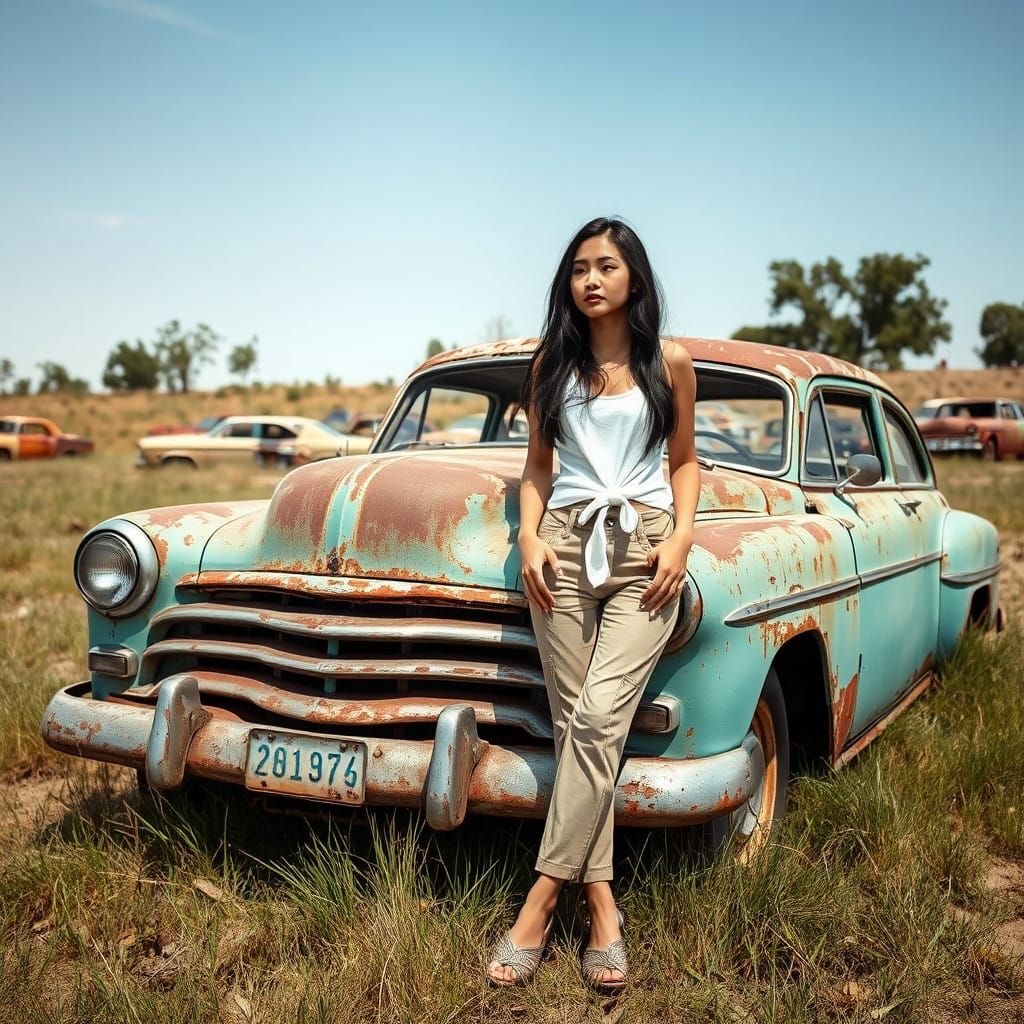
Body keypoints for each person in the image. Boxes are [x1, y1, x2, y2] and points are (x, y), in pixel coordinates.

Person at [486, 217, 700, 990]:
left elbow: (684, 462)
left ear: (634, 278)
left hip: (643, 548)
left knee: (601, 717)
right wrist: (528, 539)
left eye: (606, 266)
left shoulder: (667, 362)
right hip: (566, 552)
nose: (591, 280)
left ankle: (539, 903)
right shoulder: (554, 362)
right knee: (581, 724)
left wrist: (679, 540)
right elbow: (536, 469)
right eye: (579, 268)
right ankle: (602, 906)